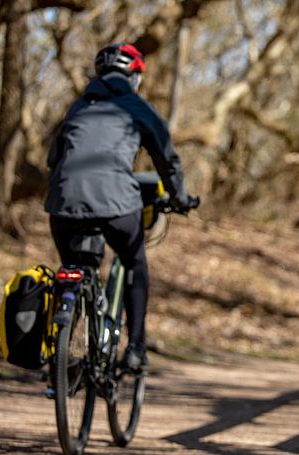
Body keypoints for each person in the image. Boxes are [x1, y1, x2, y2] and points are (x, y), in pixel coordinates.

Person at [45, 43, 194, 371]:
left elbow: (52, 159)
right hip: (116, 203)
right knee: (134, 260)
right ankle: (136, 347)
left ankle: (65, 336)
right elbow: (167, 159)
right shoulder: (136, 107)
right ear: (135, 75)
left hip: (63, 203)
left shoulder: (78, 107)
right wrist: (180, 197)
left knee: (73, 267)